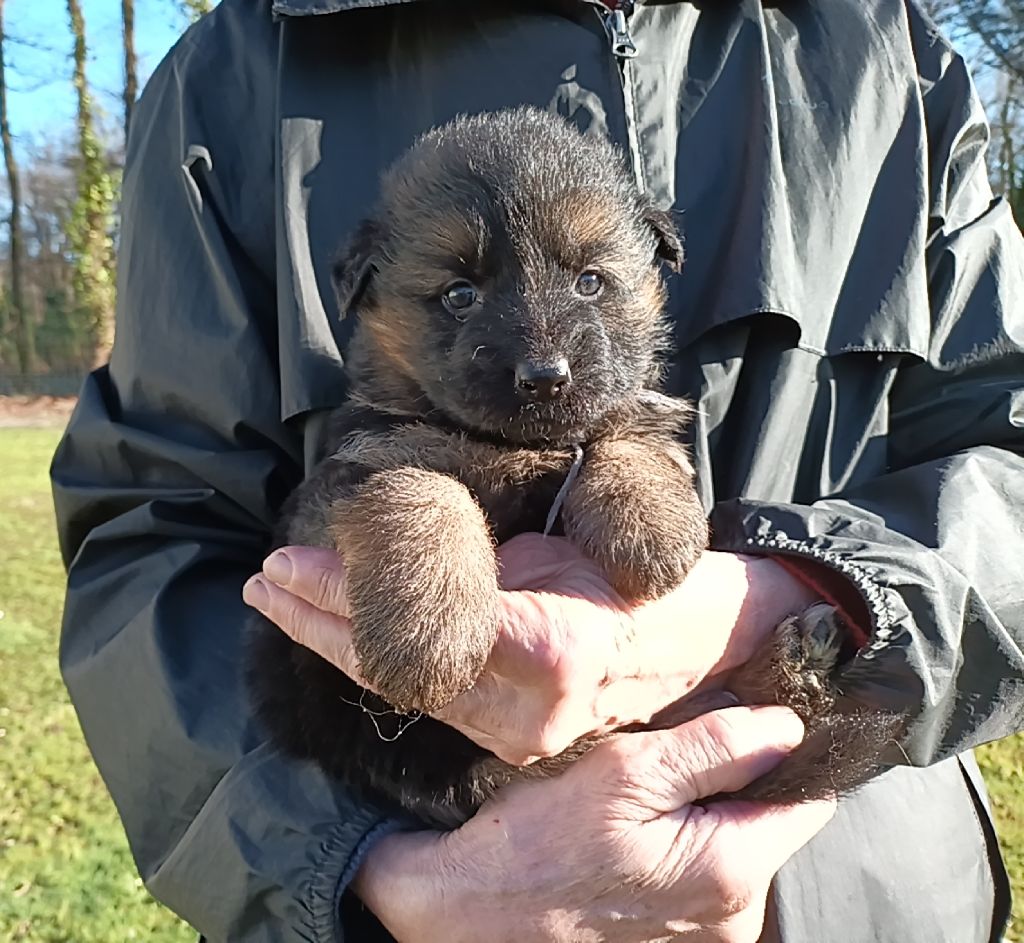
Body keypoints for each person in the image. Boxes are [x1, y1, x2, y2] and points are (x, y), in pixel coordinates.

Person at [50, 0, 1023, 940]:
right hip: (423, 850)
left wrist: (784, 595)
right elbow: (154, 529)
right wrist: (369, 876)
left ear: (652, 263)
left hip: (857, 897)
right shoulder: (235, 74)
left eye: (592, 282)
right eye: (462, 293)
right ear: (370, 290)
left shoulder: (893, 54)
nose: (541, 355)